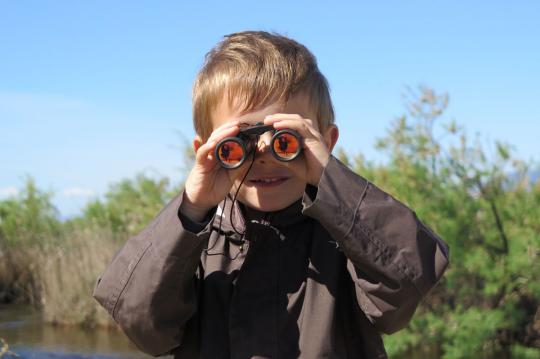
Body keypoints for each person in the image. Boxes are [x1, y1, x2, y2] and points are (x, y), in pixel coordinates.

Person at [93, 31, 450, 359]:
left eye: (285, 139)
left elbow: (407, 280)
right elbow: (144, 325)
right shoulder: (194, 243)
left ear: (326, 143)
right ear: (207, 150)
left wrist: (332, 182)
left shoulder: (348, 239)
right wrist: (191, 209)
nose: (264, 156)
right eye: (239, 144)